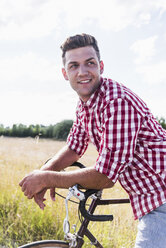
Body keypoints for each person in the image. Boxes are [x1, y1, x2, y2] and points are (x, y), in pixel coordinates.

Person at [19, 33, 166, 248]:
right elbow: (75, 146)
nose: (83, 72)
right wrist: (45, 171)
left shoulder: (117, 103)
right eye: (74, 66)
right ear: (64, 73)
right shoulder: (86, 105)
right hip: (151, 197)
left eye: (90, 63)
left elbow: (105, 176)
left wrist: (49, 179)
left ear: (101, 66)